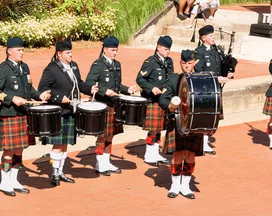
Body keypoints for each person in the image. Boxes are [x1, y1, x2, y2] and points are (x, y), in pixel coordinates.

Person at [0, 37, 51, 196]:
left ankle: (14, 180)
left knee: (19, 150)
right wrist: (12, 99)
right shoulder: (2, 69)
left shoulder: (24, 67)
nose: (22, 53)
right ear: (9, 51)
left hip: (23, 113)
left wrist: (40, 96)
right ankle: (4, 182)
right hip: (10, 114)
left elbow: (29, 89)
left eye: (22, 50)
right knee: (9, 151)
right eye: (19, 50)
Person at [38, 39, 97, 186]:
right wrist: (58, 97)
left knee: (65, 144)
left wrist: (90, 89)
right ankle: (54, 173)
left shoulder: (74, 66)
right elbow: (42, 88)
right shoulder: (51, 69)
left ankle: (61, 171)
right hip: (59, 111)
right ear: (59, 54)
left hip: (72, 110)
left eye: (71, 52)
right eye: (68, 52)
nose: (71, 55)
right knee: (58, 144)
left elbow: (79, 83)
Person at [85, 36, 137, 175]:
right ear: (105, 49)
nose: (115, 53)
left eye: (116, 50)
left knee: (111, 135)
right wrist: (104, 90)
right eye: (113, 50)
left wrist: (127, 90)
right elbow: (89, 82)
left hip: (114, 104)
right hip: (103, 105)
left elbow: (117, 85)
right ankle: (99, 163)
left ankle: (106, 161)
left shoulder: (117, 64)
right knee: (102, 135)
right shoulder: (98, 64)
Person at [159, 50, 204, 199]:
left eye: (189, 63)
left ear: (194, 63)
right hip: (177, 121)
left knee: (190, 154)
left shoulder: (200, 79)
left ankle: (185, 186)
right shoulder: (173, 79)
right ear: (180, 64)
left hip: (194, 122)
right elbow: (163, 100)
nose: (186, 66)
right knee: (178, 153)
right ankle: (174, 185)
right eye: (184, 63)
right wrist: (171, 106)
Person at [136, 35, 174, 166]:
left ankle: (155, 153)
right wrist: (152, 88)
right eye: (165, 49)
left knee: (159, 128)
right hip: (153, 100)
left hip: (164, 100)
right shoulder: (150, 61)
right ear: (158, 47)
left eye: (168, 49)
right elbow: (140, 79)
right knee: (153, 128)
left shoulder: (169, 62)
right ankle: (148, 154)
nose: (167, 51)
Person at [194, 24, 232, 155]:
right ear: (204, 38)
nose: (213, 37)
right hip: (206, 89)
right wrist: (217, 79)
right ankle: (201, 144)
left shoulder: (216, 50)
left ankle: (204, 142)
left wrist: (227, 73)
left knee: (212, 117)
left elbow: (220, 67)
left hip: (216, 88)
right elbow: (199, 72)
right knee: (205, 116)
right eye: (211, 36)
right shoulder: (199, 52)